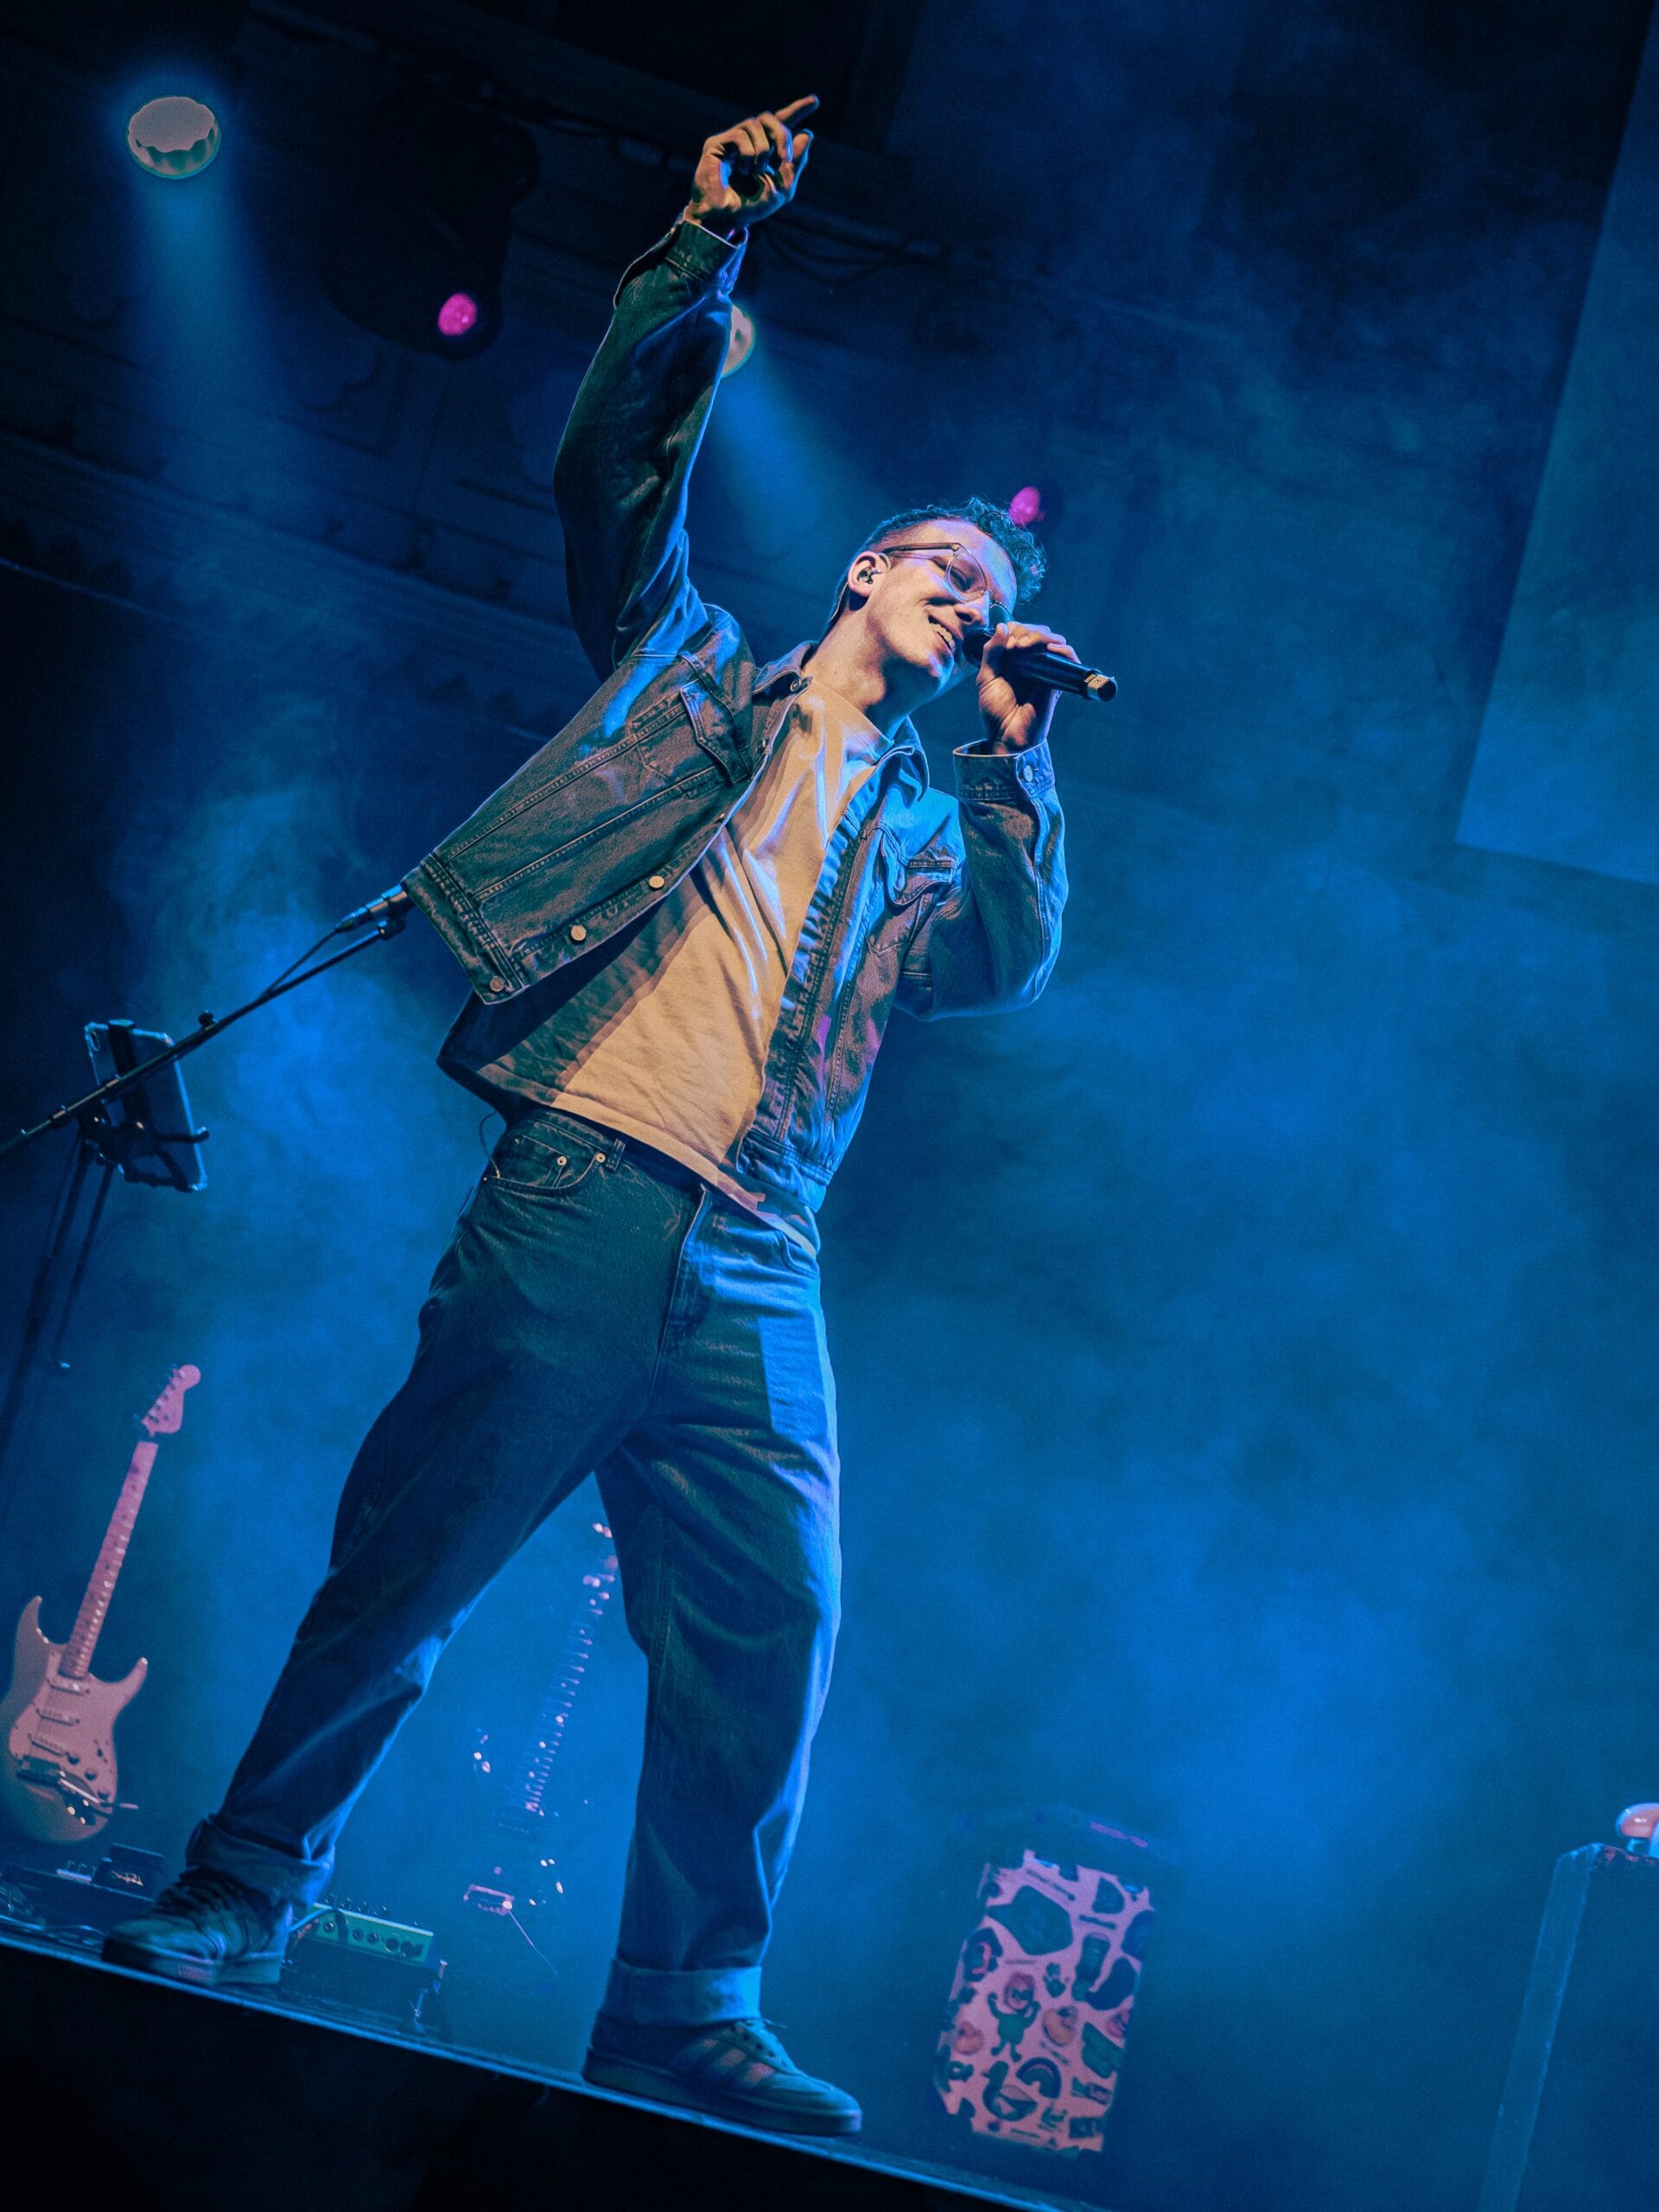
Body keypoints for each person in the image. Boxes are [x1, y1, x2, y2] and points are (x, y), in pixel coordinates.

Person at [105, 94, 1073, 2139]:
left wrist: (1015, 760)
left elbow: (1005, 961)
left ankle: (680, 2005)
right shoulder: (692, 676)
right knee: (415, 1562)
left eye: (991, 597)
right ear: (868, 569)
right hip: (585, 1185)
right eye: (948, 568)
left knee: (778, 1619)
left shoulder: (933, 825)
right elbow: (613, 469)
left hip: (763, 1257)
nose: (970, 600)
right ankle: (242, 1886)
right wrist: (701, 248)